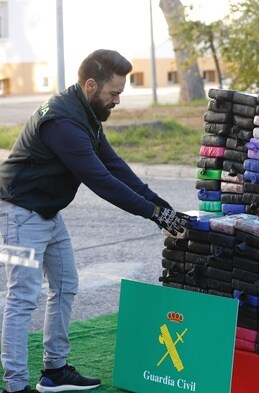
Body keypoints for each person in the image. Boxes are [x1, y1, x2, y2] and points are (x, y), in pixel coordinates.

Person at [0, 49, 190, 393]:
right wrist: (152, 214)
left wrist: (163, 207)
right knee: (22, 297)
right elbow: (100, 180)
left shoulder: (84, 112)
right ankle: (14, 386)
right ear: (91, 85)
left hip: (46, 211)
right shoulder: (63, 123)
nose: (117, 100)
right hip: (17, 215)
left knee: (66, 284)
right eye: (113, 93)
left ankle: (54, 371)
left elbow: (115, 166)